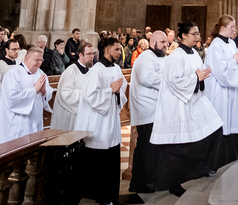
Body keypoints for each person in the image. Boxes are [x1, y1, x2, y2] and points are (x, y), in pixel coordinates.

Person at [151, 22, 224, 197]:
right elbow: (174, 80)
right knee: (178, 146)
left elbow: (199, 75)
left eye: (198, 34)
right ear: (183, 36)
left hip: (194, 100)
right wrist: (196, 77)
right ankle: (173, 182)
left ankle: (203, 168)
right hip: (178, 105)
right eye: (194, 34)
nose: (198, 37)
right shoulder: (176, 56)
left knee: (215, 127)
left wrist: (200, 77)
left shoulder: (194, 54)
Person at [73, 37, 128, 205]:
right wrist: (110, 90)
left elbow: (122, 88)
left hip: (111, 120)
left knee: (112, 159)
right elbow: (90, 96)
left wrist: (117, 92)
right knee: (101, 162)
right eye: (116, 49)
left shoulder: (116, 69)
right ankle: (102, 198)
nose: (119, 53)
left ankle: (112, 197)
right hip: (99, 122)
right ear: (107, 50)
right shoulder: (96, 70)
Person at [204, 15, 238, 169]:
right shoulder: (216, 45)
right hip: (220, 92)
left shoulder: (231, 43)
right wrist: (235, 60)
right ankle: (218, 164)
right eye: (232, 27)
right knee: (222, 129)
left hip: (232, 91)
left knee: (234, 127)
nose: (235, 30)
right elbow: (221, 71)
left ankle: (232, 161)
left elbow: (235, 63)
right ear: (222, 28)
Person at [128, 31, 167, 193]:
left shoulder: (162, 58)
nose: (166, 45)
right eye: (162, 42)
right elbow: (147, 78)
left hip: (157, 109)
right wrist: (169, 79)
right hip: (146, 109)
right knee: (146, 147)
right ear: (153, 43)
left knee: (155, 148)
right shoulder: (145, 58)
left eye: (166, 42)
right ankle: (140, 183)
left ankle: (154, 179)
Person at [0, 47, 53, 144]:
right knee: (16, 145)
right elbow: (12, 98)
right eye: (36, 60)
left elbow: (48, 93)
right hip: (18, 121)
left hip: (35, 118)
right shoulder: (13, 74)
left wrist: (44, 91)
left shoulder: (41, 73)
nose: (39, 63)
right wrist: (34, 90)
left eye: (41, 60)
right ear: (26, 59)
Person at [52, 40, 94, 131]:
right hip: (71, 116)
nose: (92, 56)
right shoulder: (70, 71)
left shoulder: (91, 72)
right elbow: (65, 93)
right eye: (89, 54)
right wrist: (86, 94)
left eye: (93, 54)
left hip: (86, 115)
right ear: (81, 55)